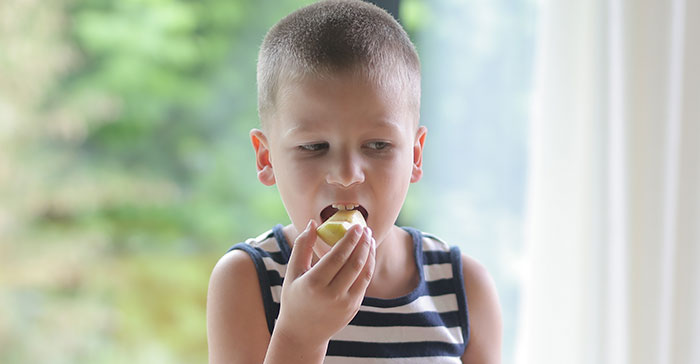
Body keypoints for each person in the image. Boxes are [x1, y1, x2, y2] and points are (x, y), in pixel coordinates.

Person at [206, 1, 502, 363]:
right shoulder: (247, 281)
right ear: (266, 158)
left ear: (416, 156)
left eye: (378, 145)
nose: (347, 174)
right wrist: (300, 337)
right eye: (314, 146)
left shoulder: (464, 289)